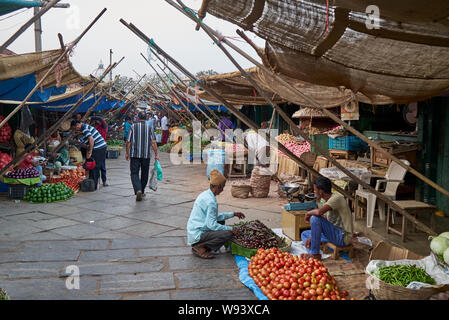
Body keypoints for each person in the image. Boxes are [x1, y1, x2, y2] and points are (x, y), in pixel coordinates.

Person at [187, 170, 246, 259]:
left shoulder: (205, 194)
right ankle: (201, 247)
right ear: (218, 187)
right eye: (222, 187)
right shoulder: (211, 202)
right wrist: (231, 229)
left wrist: (233, 214)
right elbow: (211, 225)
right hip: (197, 234)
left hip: (194, 231)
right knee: (227, 234)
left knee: (221, 222)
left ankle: (201, 244)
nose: (222, 190)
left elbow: (214, 217)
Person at [300, 177, 354, 260]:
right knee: (304, 234)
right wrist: (313, 236)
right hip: (333, 233)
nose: (314, 192)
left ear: (321, 191)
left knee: (314, 218)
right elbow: (324, 222)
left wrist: (308, 213)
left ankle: (315, 254)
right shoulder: (327, 200)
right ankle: (312, 251)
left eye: (315, 190)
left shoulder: (337, 198)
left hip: (343, 237)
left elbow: (318, 213)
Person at [125, 111, 159, 201]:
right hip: (146, 155)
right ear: (146, 118)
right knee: (144, 173)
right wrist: (156, 154)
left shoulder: (133, 127)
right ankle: (142, 191)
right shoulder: (149, 127)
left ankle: (138, 189)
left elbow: (128, 142)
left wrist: (127, 153)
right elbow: (153, 142)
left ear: (138, 118)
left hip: (134, 154)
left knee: (134, 173)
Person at [71, 120, 107, 191]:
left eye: (75, 128)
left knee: (95, 167)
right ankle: (94, 184)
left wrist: (90, 152)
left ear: (78, 124)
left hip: (99, 148)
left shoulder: (84, 128)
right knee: (94, 166)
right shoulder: (84, 127)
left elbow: (91, 139)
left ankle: (93, 186)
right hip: (100, 147)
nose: (75, 129)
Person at [91, 115, 108, 186]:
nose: (97, 122)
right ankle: (96, 181)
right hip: (95, 148)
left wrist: (93, 117)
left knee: (102, 165)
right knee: (96, 165)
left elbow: (101, 119)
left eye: (98, 121)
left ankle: (104, 181)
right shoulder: (95, 128)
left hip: (102, 148)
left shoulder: (104, 126)